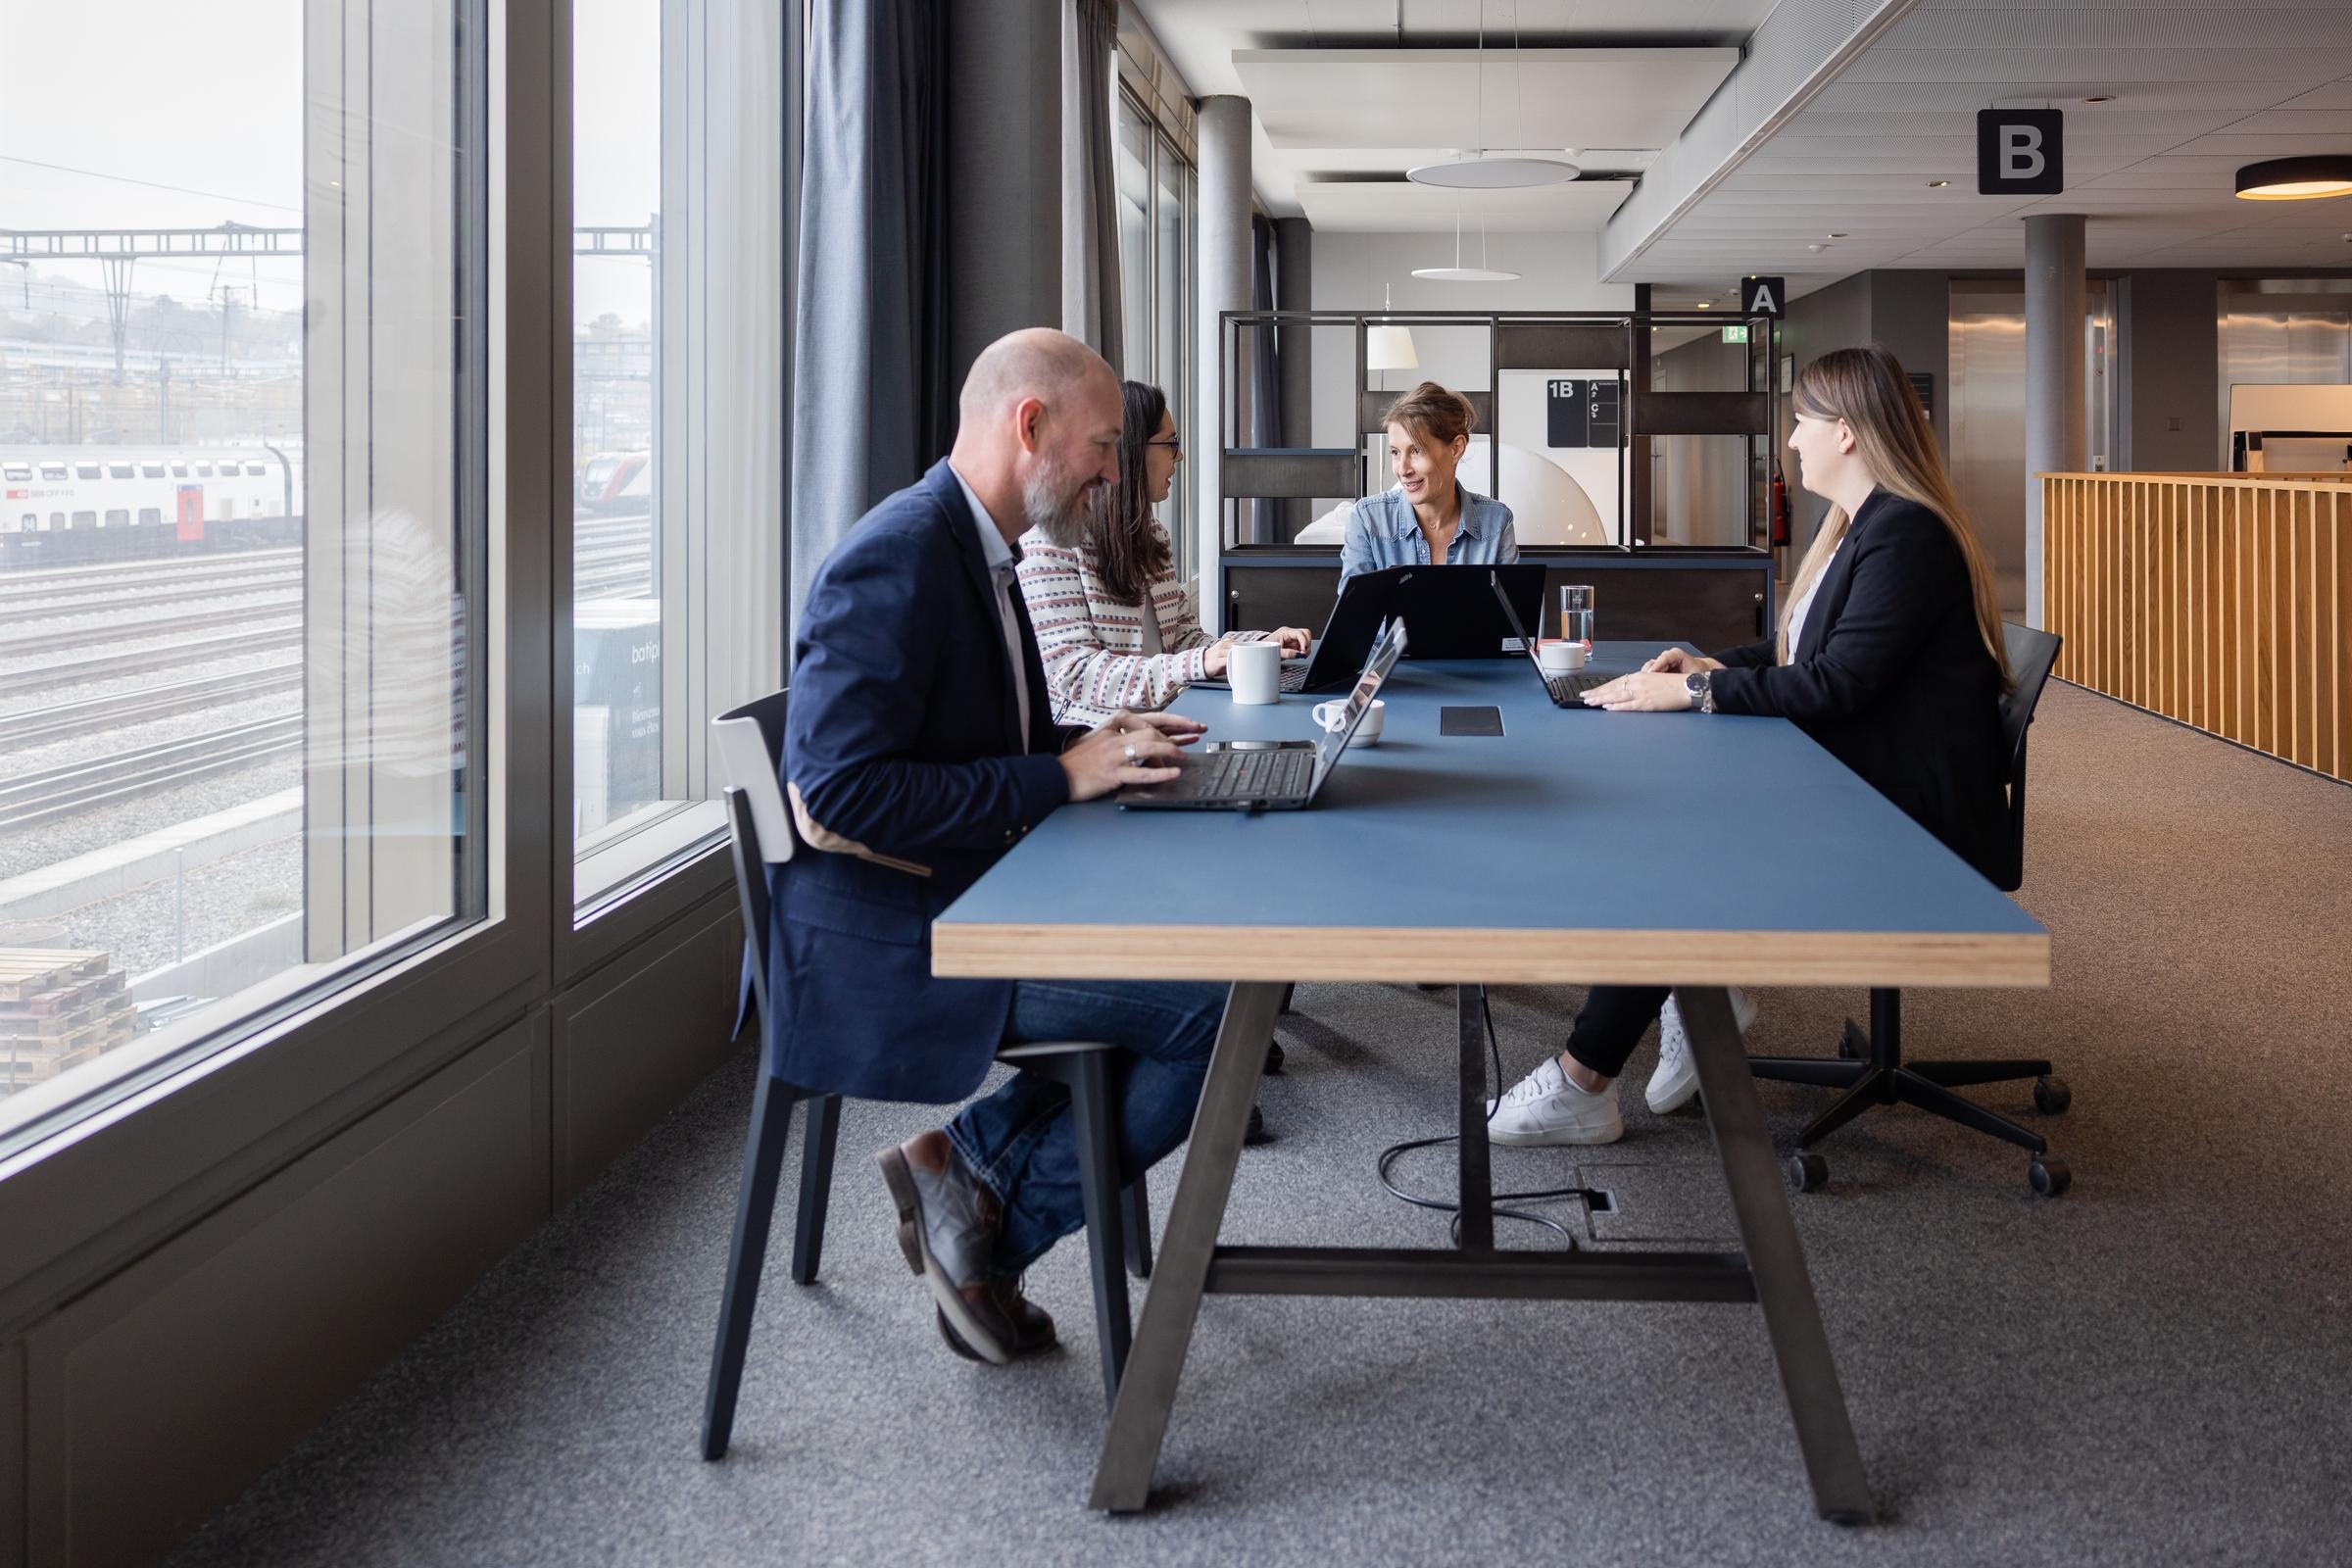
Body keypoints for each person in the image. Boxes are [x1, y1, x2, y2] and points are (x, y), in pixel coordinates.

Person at [781, 327, 1231, 1364]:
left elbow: (992, 738)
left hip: (971, 898)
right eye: (1105, 445)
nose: (1117, 473)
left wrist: (1095, 745)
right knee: (1215, 1010)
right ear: (1030, 426)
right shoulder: (896, 556)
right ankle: (988, 1216)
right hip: (898, 940)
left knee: (1204, 976)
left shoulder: (980, 549)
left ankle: (968, 1172)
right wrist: (1056, 777)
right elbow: (839, 791)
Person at [1487, 342, 2011, 1145]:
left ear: (1847, 433)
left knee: (1669, 843)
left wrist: (1692, 692)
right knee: (1666, 816)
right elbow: (1798, 651)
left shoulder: (1907, 536)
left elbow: (1836, 685)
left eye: (1801, 423)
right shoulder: (1859, 529)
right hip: (1862, 777)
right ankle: (1695, 992)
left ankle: (1586, 1079)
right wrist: (1708, 664)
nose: (1791, 439)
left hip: (1907, 815)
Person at [1017, 378, 1313, 726]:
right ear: (1131, 450)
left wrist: (1259, 644)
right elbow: (1075, 672)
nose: (1181, 455)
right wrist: (1197, 664)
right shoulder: (1050, 543)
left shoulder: (1152, 535)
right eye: (1170, 443)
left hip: (1168, 717)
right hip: (1094, 734)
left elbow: (1184, 639)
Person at [1338, 380, 1518, 586]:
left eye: (1416, 451)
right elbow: (1356, 616)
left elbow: (1510, 616)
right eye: (1395, 452)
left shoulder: (1496, 523)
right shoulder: (1368, 519)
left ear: (1456, 448)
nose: (1403, 469)